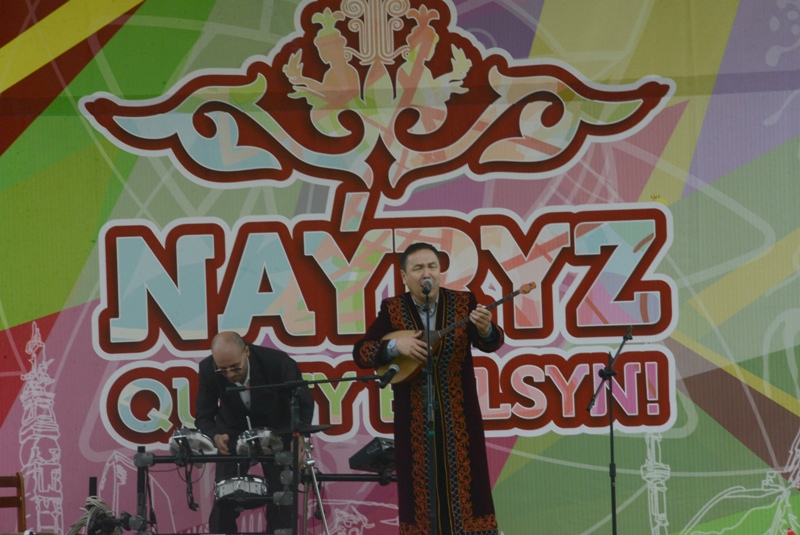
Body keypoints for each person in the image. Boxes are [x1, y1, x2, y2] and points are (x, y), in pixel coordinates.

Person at [353, 242, 504, 535]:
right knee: (421, 495)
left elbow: (491, 343)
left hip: (460, 418)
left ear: (440, 271)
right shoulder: (393, 309)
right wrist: (396, 345)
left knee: (469, 493)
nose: (427, 273)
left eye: (432, 266)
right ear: (404, 276)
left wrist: (486, 328)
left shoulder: (463, 302)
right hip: (414, 421)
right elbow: (361, 352)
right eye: (418, 268)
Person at [195, 331, 315, 534]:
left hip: (278, 429)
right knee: (225, 495)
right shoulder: (208, 369)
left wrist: (300, 436)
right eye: (223, 369)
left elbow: (305, 402)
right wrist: (215, 436)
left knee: (282, 496)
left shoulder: (277, 363)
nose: (230, 374)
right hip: (232, 431)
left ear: (246, 352)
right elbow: (203, 415)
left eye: (235, 367)